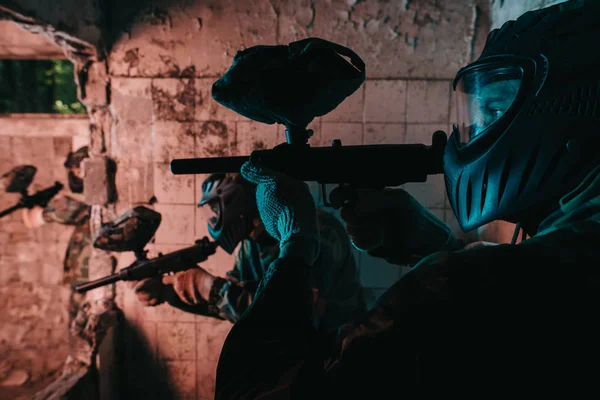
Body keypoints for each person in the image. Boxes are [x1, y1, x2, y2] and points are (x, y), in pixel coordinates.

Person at [214, 1, 600, 397]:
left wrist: (295, 245)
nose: (471, 132)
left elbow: (253, 391)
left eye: (496, 108)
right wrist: (441, 248)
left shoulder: (459, 295)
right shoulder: (568, 259)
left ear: (571, 109)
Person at [131, 173, 366, 332]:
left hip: (339, 351)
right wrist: (169, 292)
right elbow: (234, 310)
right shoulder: (251, 245)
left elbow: (295, 316)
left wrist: (207, 286)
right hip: (297, 361)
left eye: (215, 210)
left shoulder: (315, 232)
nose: (213, 221)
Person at [21, 146, 91, 323]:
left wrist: (28, 203)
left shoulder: (73, 204)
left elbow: (31, 221)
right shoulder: (84, 203)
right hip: (85, 280)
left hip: (87, 281)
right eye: (74, 170)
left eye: (79, 169)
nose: (76, 174)